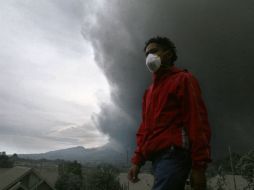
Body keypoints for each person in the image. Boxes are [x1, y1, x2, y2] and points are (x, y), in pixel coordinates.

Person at [128, 36, 211, 190]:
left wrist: (199, 167)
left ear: (168, 54)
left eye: (154, 51)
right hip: (157, 158)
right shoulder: (149, 92)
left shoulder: (184, 79)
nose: (149, 57)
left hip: (174, 154)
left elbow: (197, 121)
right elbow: (146, 128)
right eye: (146, 54)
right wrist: (137, 161)